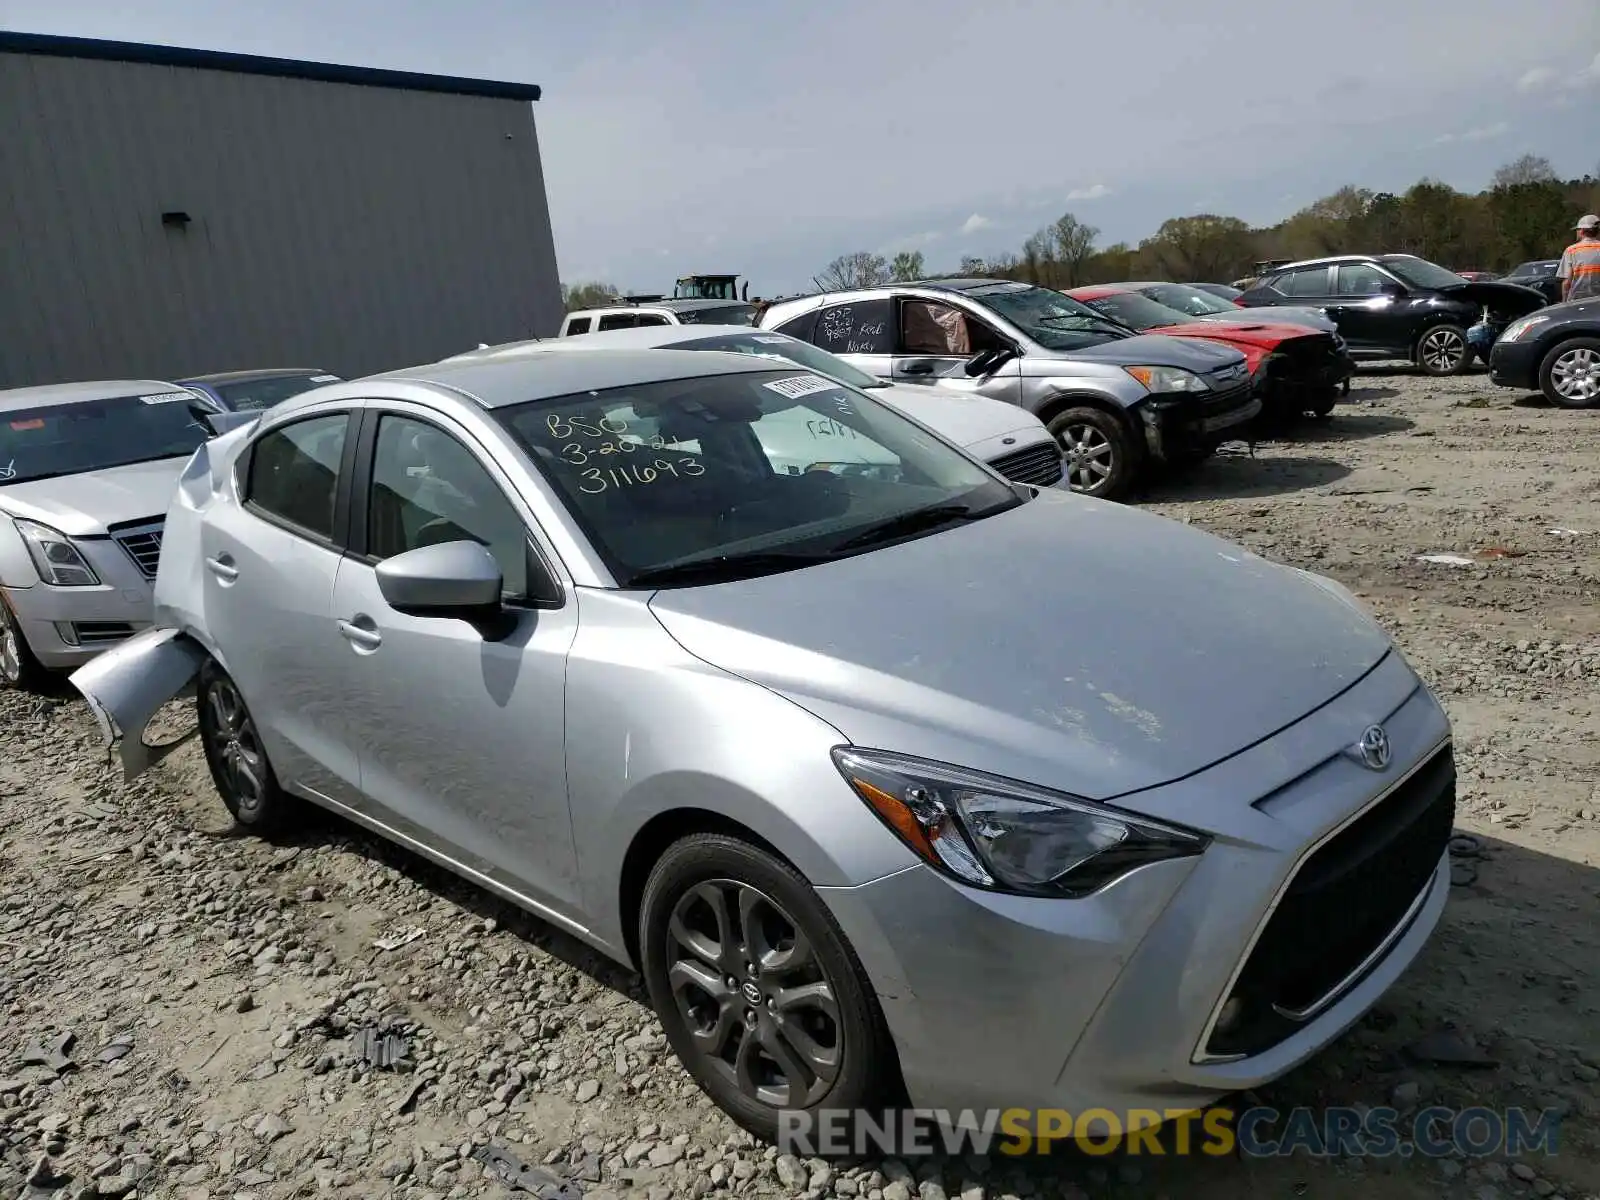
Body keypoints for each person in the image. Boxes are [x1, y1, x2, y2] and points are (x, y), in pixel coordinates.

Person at [1556, 214, 1600, 303]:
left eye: (1577, 229)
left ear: (1582, 231)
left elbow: (1567, 282)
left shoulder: (1571, 250)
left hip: (1577, 301)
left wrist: (1564, 302)